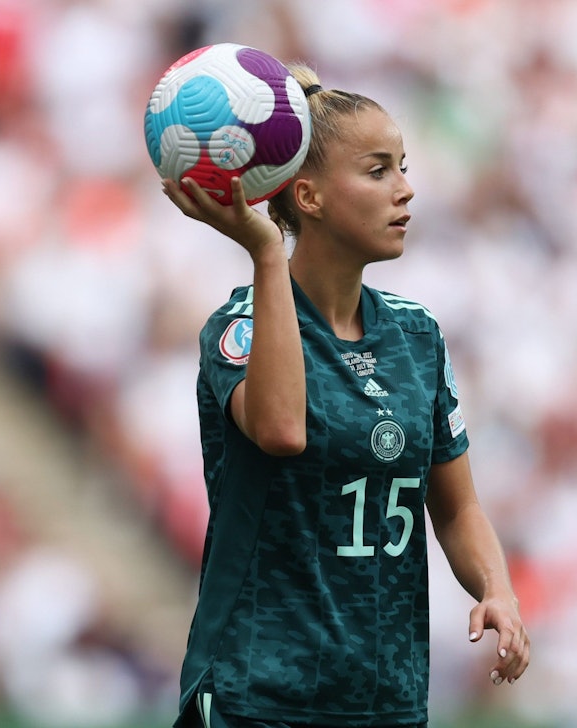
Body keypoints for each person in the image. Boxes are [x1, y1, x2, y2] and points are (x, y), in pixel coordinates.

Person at [162, 63, 530, 728]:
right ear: (307, 197)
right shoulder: (238, 329)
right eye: (378, 170)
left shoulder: (417, 335)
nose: (406, 190)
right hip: (258, 698)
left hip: (383, 701)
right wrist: (267, 256)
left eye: (404, 166)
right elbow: (281, 429)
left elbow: (455, 507)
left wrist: (496, 590)